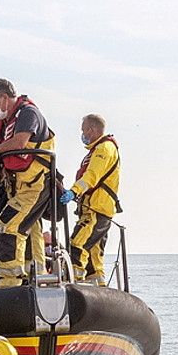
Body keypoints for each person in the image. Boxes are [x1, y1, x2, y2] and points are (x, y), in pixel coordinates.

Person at [0, 79, 56, 287]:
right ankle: (37, 274)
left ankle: (10, 280)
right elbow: (0, 147)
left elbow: (20, 142)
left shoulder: (28, 114)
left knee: (8, 225)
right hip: (18, 187)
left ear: (3, 98)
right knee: (31, 227)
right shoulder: (3, 124)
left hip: (35, 184)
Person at [60, 114, 121, 286]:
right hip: (96, 208)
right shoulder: (99, 149)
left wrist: (74, 191)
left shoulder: (104, 149)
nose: (82, 134)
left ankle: (74, 282)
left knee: (77, 244)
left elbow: (92, 176)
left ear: (91, 130)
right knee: (94, 255)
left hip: (97, 209)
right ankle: (98, 285)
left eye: (83, 130)